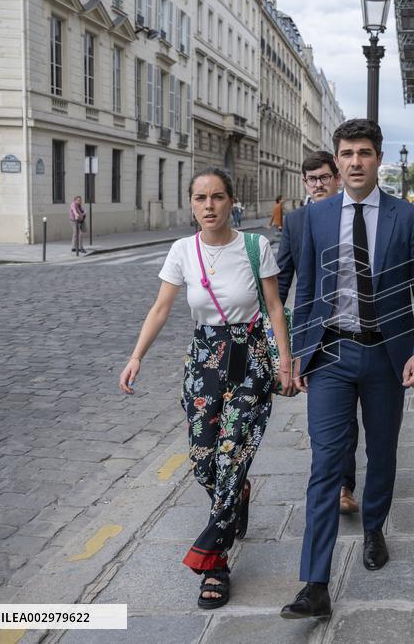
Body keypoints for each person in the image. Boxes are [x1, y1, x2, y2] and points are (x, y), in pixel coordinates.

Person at [280, 119, 414, 619]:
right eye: (347, 153)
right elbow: (304, 291)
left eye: (364, 153)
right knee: (326, 464)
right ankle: (315, 583)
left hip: (385, 355)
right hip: (329, 354)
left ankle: (374, 527)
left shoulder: (406, 218)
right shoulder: (314, 218)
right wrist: (298, 354)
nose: (355, 162)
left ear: (378, 159)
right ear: (336, 158)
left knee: (383, 450)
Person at [118, 167, 296, 610]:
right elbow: (161, 308)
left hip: (250, 358)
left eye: (217, 197)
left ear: (231, 201)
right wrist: (137, 355)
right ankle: (238, 492)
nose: (209, 206)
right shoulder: (182, 250)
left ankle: (213, 563)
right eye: (201, 198)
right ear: (192, 204)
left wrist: (285, 361)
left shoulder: (255, 247)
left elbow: (274, 307)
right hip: (204, 361)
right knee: (202, 459)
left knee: (231, 451)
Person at [276, 152, 361, 516]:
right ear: (304, 182)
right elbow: (281, 280)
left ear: (337, 178)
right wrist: (276, 334)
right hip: (312, 333)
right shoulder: (295, 222)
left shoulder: (350, 216)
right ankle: (333, 479)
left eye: (325, 177)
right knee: (326, 420)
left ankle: (344, 485)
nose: (319, 184)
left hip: (347, 329)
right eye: (311, 179)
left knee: (346, 416)